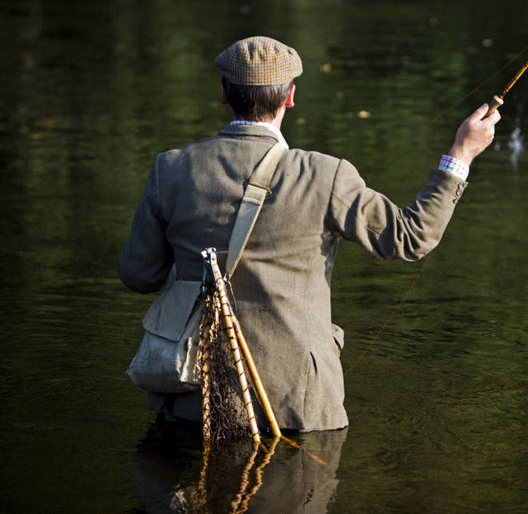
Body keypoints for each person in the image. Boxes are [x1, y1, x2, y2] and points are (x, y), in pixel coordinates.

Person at [118, 36, 500, 432]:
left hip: (194, 399)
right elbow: (411, 237)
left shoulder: (172, 169)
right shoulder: (324, 175)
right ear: (290, 97)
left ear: (222, 93)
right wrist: (460, 155)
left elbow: (138, 274)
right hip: (299, 408)